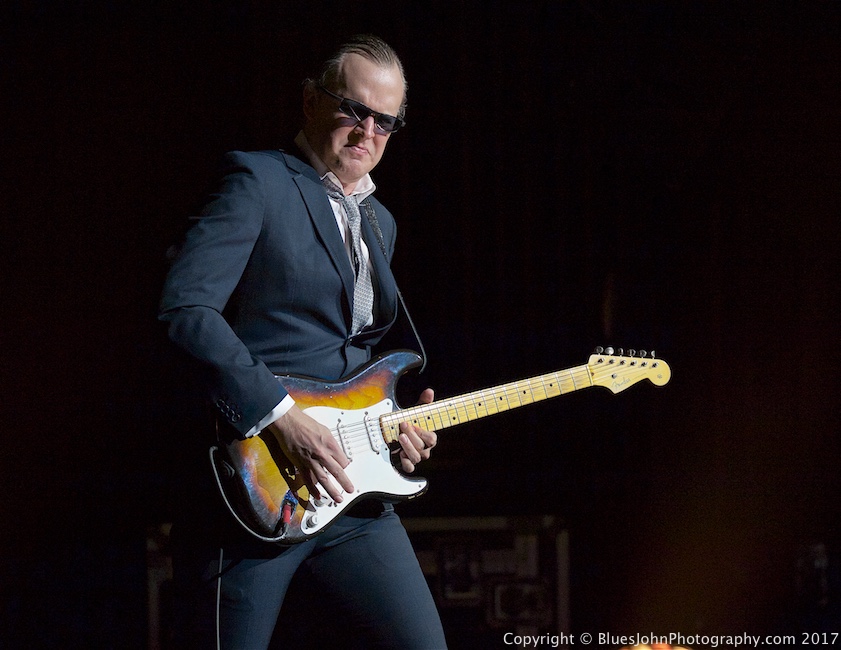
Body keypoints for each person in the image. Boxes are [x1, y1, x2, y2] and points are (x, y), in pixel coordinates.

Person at [158, 35, 447, 649]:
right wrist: (281, 416)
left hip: (351, 492)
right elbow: (186, 310)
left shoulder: (379, 221)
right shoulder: (257, 181)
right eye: (354, 110)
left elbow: (352, 357)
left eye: (386, 121)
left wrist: (395, 423)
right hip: (257, 485)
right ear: (312, 102)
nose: (368, 131)